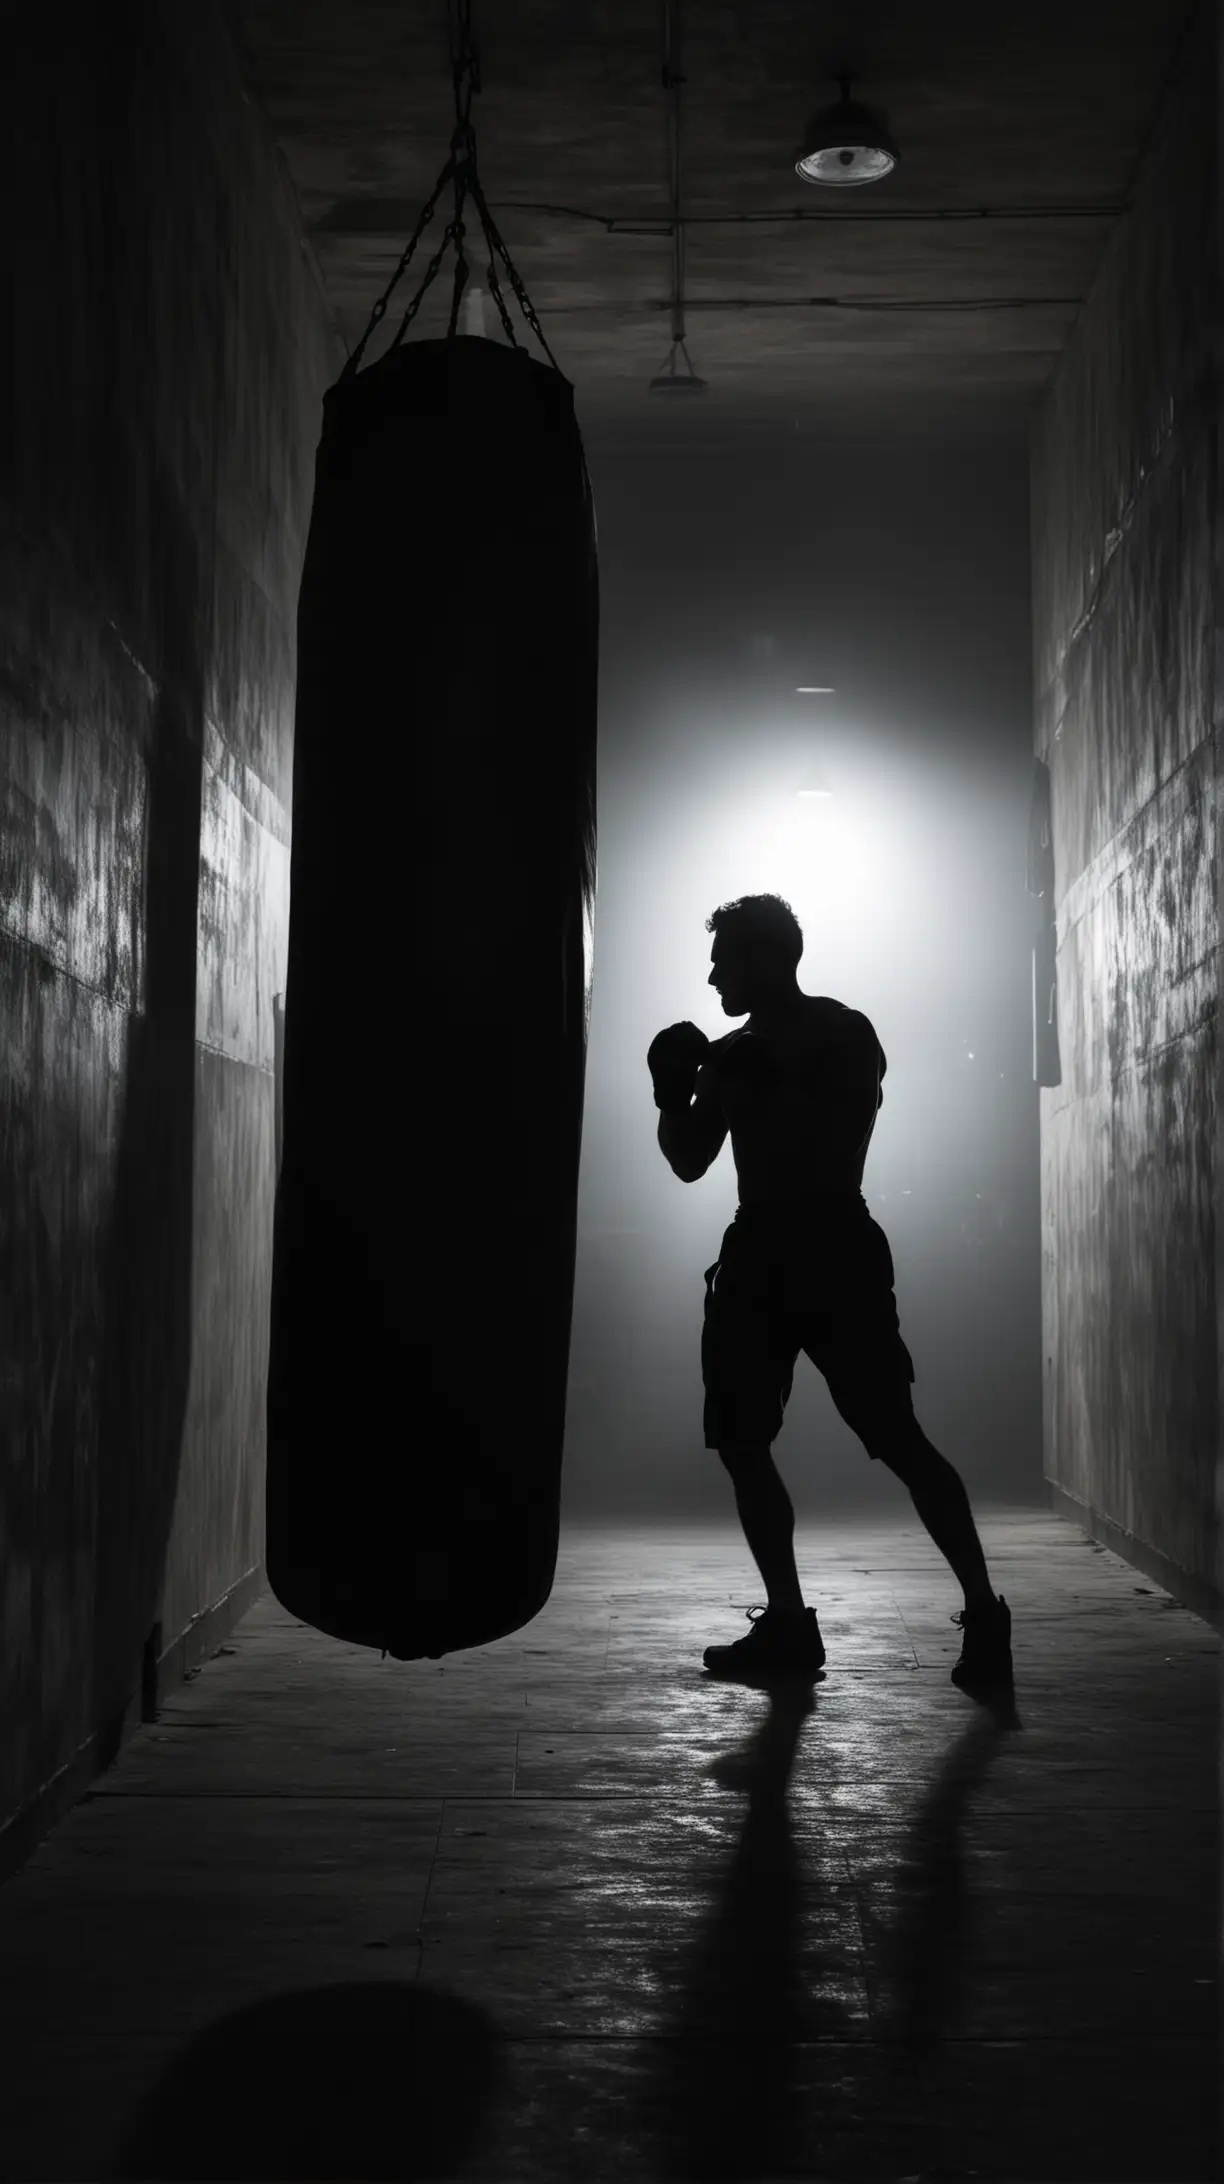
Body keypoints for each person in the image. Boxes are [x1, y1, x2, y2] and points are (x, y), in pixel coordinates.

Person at [646, 892, 1013, 1693]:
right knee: (739, 1440)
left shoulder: (843, 1033)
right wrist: (672, 1092)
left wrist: (762, 1079)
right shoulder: (736, 1052)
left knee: (897, 1436)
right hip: (756, 1247)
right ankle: (786, 1623)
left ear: (768, 958)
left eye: (724, 959)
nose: (711, 976)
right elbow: (689, 1158)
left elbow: (840, 1135)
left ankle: (985, 1610)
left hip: (833, 1244)